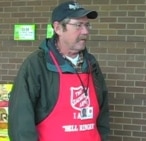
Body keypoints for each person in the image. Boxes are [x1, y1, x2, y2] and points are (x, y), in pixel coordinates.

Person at [8, 1, 110, 141]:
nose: (85, 31)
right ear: (58, 28)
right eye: (78, 25)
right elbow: (20, 121)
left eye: (87, 25)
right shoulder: (37, 65)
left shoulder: (91, 64)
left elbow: (103, 115)